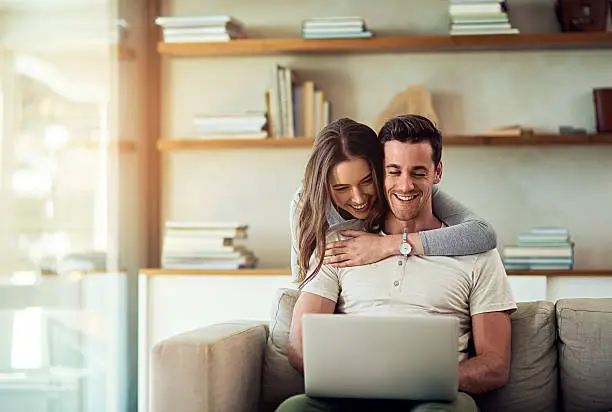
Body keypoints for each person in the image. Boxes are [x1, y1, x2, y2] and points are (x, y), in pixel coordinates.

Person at [278, 115, 517, 412]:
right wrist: (357, 380)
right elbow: (300, 344)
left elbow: (495, 365)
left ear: (437, 171)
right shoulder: (337, 243)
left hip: (434, 398)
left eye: (418, 172)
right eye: (394, 171)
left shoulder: (478, 252)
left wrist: (416, 380)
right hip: (350, 394)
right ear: (382, 172)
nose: (405, 185)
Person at [289, 118, 496, 282]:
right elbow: (303, 280)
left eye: (368, 180)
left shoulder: (406, 191)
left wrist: (386, 245)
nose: (359, 198)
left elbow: (482, 233)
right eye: (341, 188)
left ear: (380, 169)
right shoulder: (306, 205)